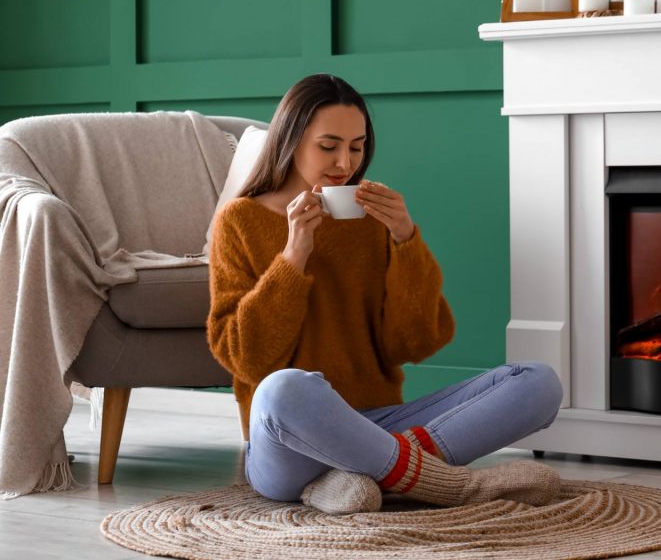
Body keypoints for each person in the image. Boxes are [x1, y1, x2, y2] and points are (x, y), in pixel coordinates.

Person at [206, 73, 564, 514]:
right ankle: (446, 484)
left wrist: (404, 240)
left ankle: (362, 472)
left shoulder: (371, 220)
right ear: (291, 140)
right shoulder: (238, 222)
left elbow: (413, 342)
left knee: (538, 383)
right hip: (285, 441)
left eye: (356, 147)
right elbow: (246, 358)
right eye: (328, 145)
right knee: (283, 390)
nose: (345, 163)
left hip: (379, 421)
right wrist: (294, 254)